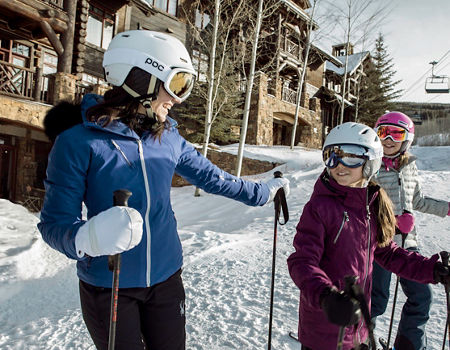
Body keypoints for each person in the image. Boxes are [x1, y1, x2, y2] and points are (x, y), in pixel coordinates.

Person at [38, 30, 290, 350]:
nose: (177, 99)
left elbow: (213, 178)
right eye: (175, 85)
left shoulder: (167, 136)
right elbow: (54, 223)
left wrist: (263, 192)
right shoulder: (77, 142)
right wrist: (87, 237)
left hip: (166, 278)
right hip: (109, 286)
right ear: (141, 78)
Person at [286, 122, 449, 350]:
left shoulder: (370, 204)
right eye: (332, 157)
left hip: (358, 327)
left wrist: (431, 270)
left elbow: (389, 253)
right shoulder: (319, 207)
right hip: (325, 329)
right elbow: (302, 261)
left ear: (371, 161)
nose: (339, 166)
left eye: (350, 158)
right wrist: (326, 296)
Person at [371, 111, 449, 350]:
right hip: (379, 244)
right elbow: (362, 207)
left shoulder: (409, 168)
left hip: (408, 243)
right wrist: (393, 222)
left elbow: (418, 200)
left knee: (422, 296)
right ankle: (359, 342)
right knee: (376, 301)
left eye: (396, 133)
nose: (389, 139)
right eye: (384, 132)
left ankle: (409, 346)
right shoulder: (371, 168)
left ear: (407, 139)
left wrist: (447, 209)